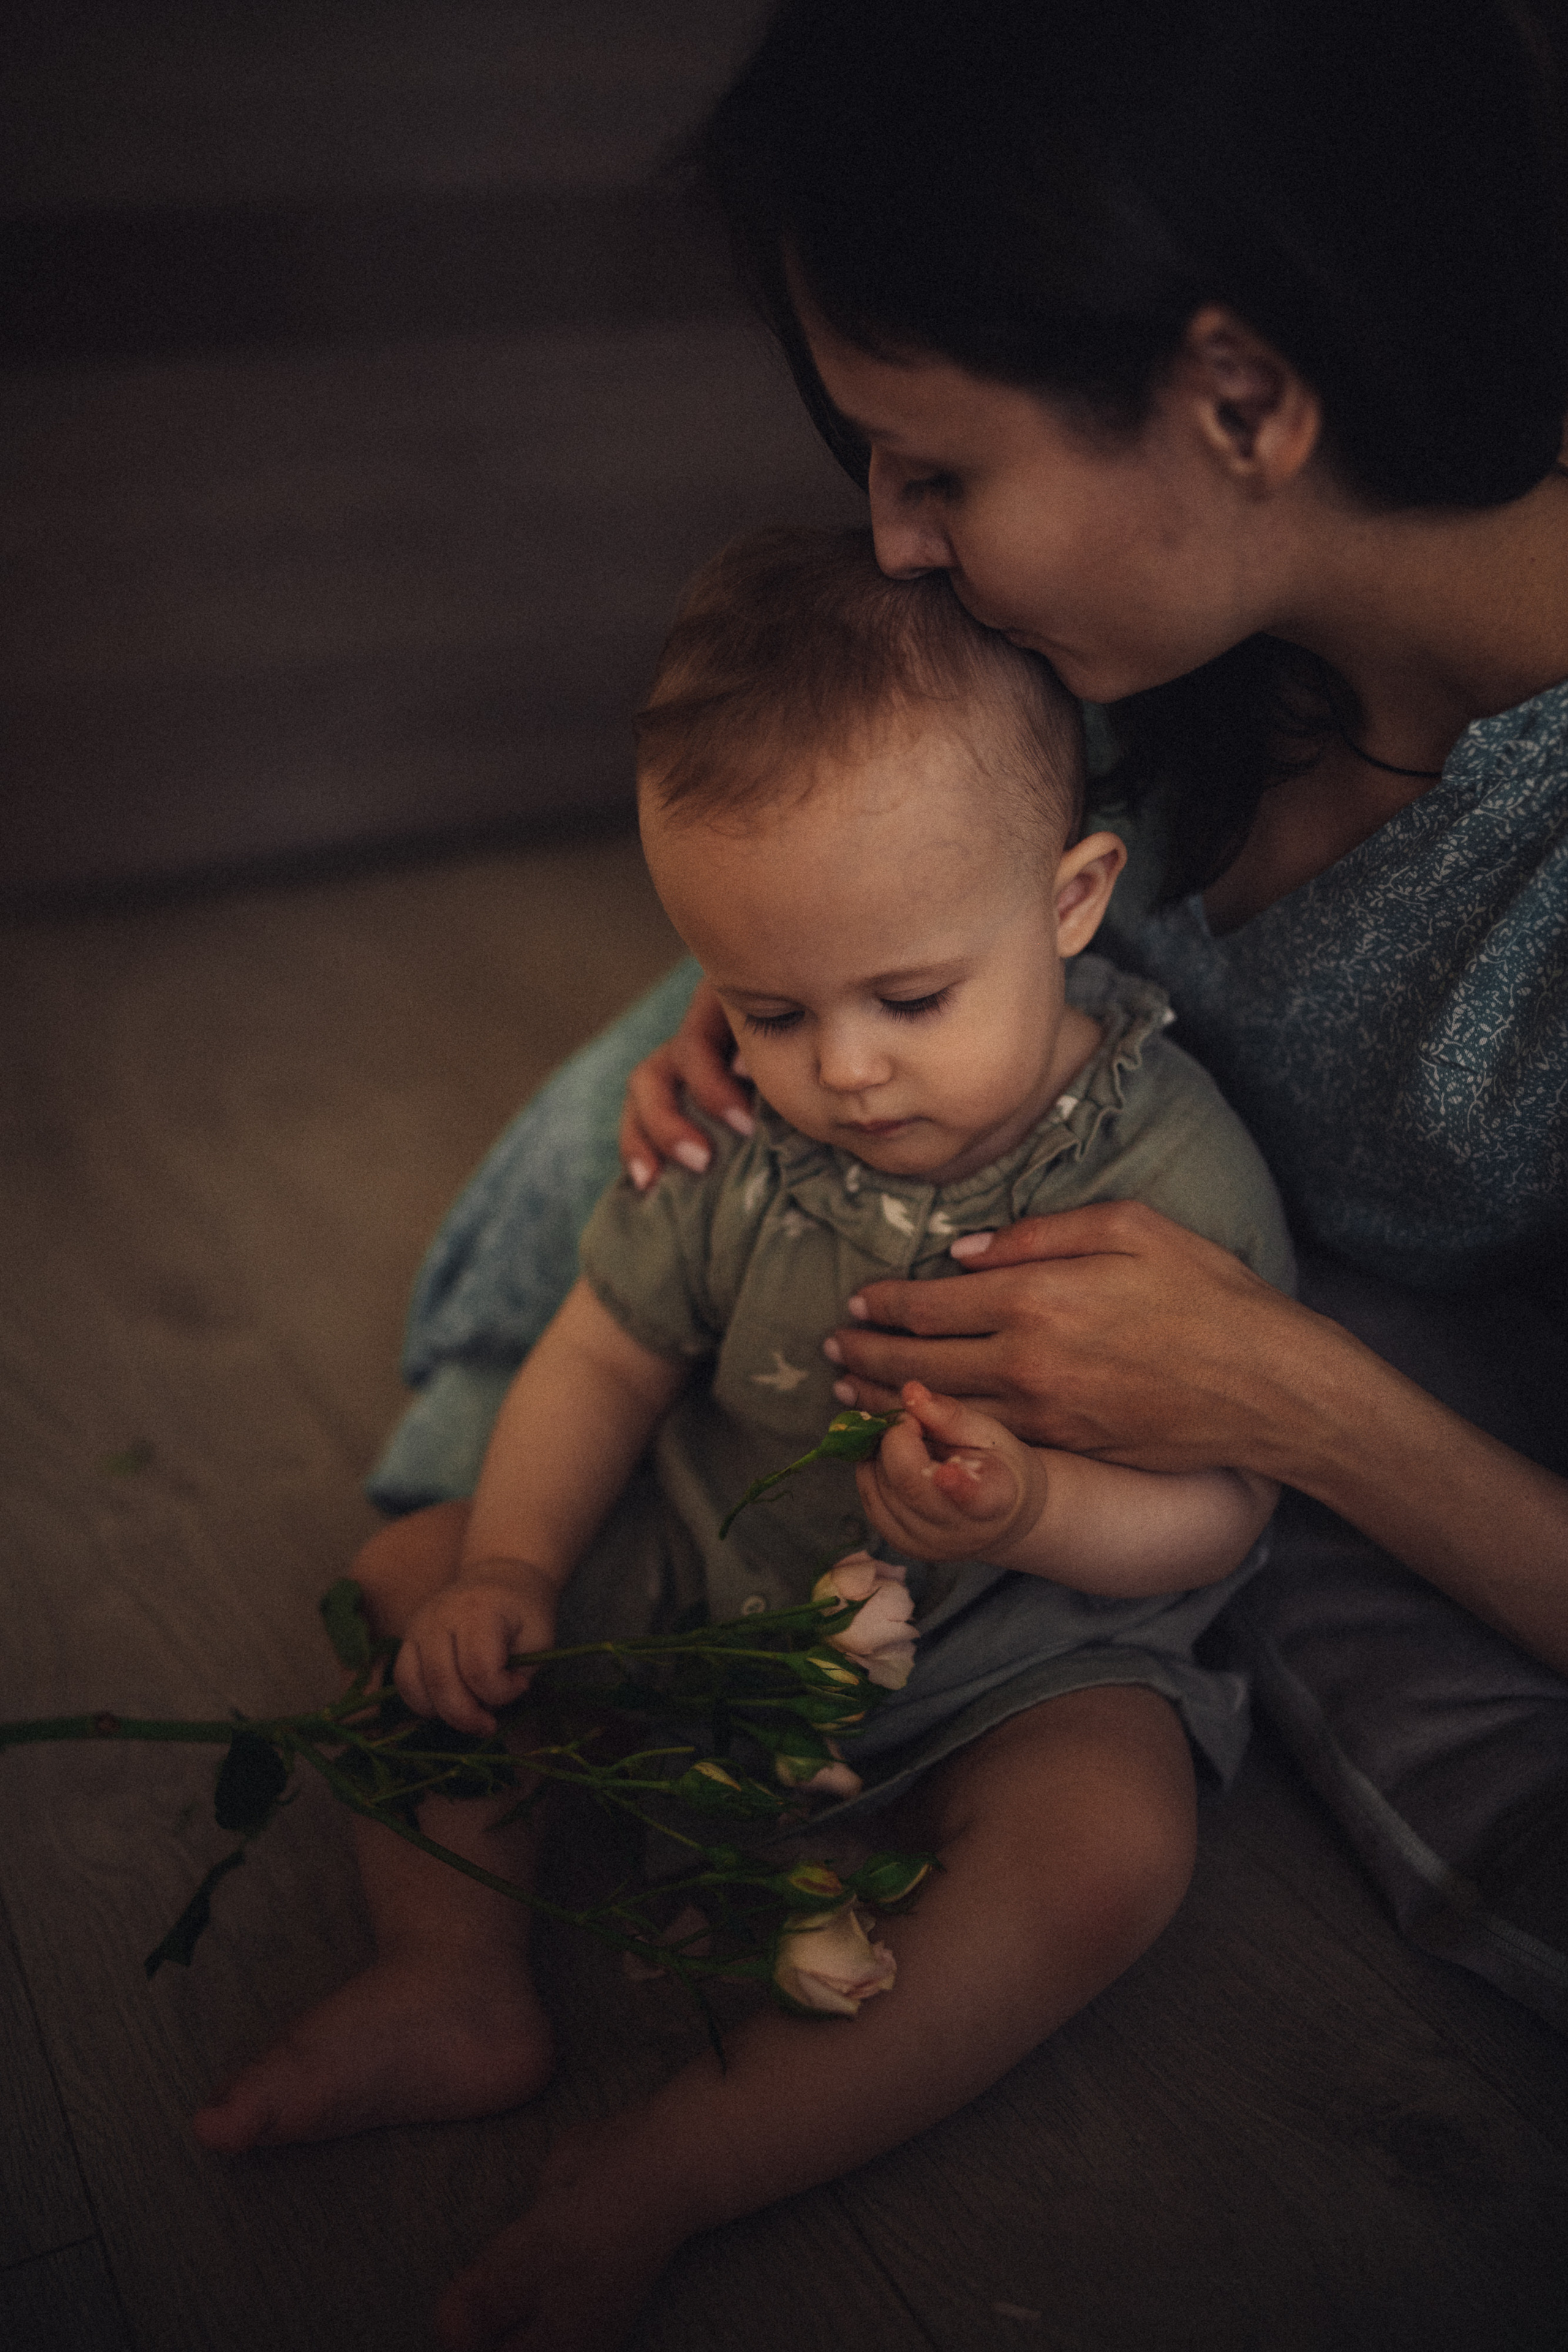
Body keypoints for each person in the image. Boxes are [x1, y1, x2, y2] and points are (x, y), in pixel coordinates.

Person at [369, 0, 1568, 2049]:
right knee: (458, 1576)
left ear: (1244, 400)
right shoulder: (1131, 639)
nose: (898, 542)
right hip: (865, 1226)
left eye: (938, 470)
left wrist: (1291, 1398)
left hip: (1154, 1416)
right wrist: (738, 1023)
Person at [195, 526, 1295, 2351]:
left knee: (1113, 1845)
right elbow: (605, 1358)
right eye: (772, 1008)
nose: (843, 1071)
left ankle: (686, 2167)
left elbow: (1227, 1507)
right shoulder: (741, 1135)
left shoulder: (1168, 1167)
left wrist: (1039, 1506)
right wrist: (518, 1568)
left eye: (910, 1000)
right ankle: (448, 1976)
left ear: (1076, 893)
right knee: (405, 1576)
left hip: (1015, 1666)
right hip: (714, 1584)